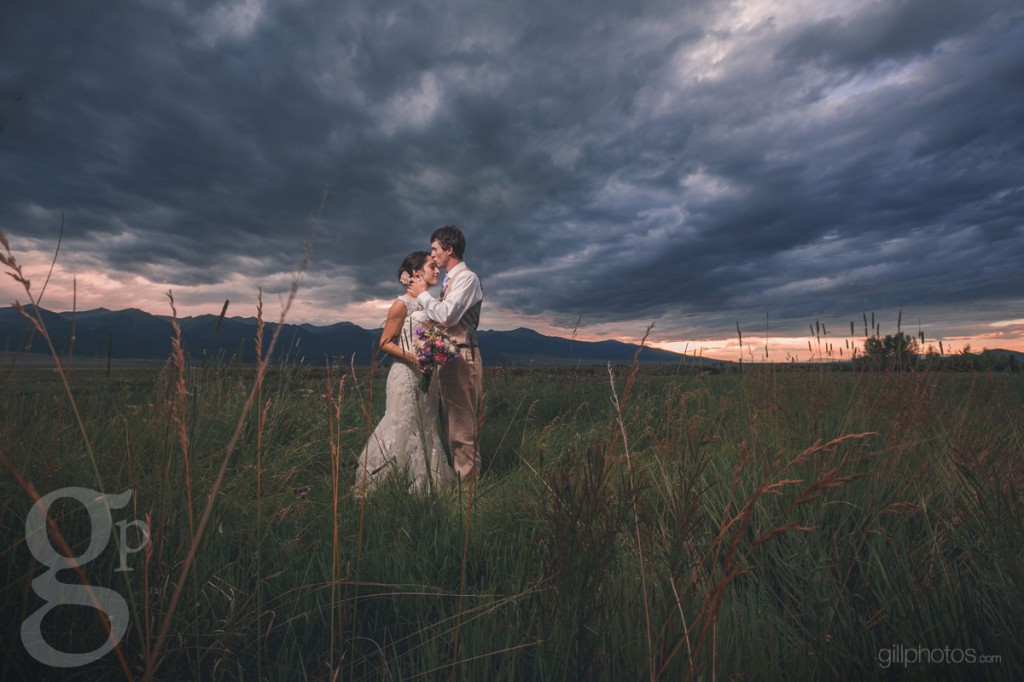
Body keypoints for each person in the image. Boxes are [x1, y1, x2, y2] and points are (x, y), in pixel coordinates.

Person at [353, 251, 455, 494]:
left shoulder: (432, 304)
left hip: (427, 376)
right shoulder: (402, 304)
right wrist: (414, 357)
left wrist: (436, 352)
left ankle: (426, 484)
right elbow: (385, 342)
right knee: (402, 423)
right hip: (405, 374)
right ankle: (386, 483)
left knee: (426, 426)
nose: (437, 270)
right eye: (432, 266)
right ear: (417, 272)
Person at [407, 225, 484, 482]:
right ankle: (454, 480)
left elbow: (448, 315)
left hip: (462, 356)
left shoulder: (467, 279)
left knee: (462, 428)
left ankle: (468, 490)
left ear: (449, 249)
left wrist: (424, 296)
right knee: (447, 423)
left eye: (435, 249)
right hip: (447, 357)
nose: (433, 254)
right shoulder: (451, 280)